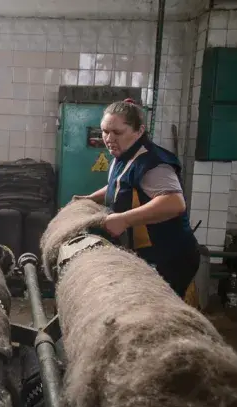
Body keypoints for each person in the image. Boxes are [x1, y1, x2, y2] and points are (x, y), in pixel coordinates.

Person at [74, 98, 199, 298]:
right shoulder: (123, 155)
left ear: (139, 131)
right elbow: (120, 184)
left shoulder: (153, 162)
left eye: (117, 132)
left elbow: (174, 203)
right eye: (105, 131)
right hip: (143, 254)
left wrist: (124, 219)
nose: (108, 138)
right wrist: (91, 198)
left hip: (168, 257)